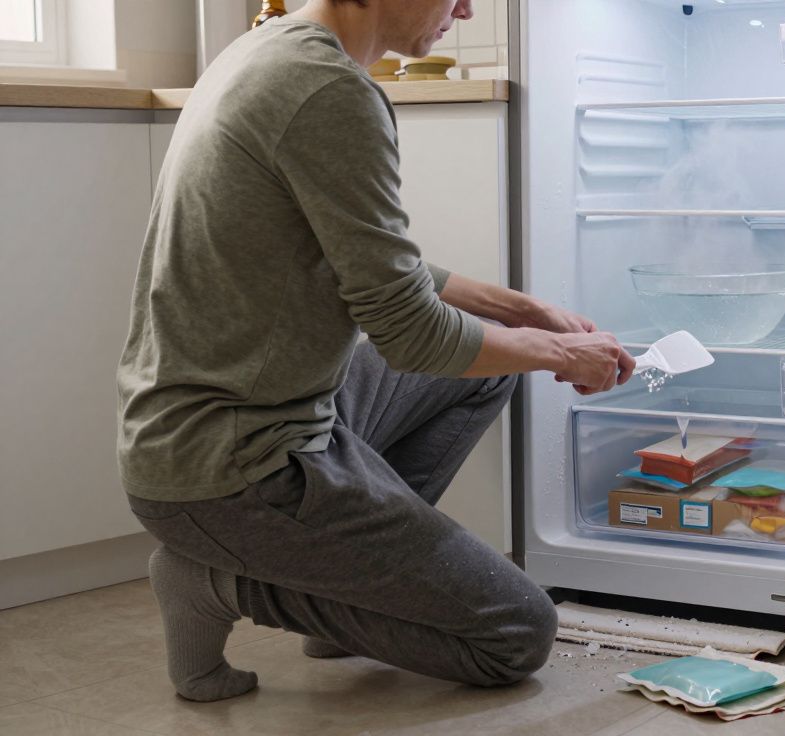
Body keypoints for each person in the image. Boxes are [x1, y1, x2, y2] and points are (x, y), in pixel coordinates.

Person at [116, 0, 635, 702]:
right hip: (234, 466)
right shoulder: (327, 88)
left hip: (227, 421)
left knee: (481, 377)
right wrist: (558, 355)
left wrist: (526, 311)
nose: (468, 7)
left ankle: (350, 596)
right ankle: (212, 581)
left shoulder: (269, 51)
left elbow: (381, 270)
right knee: (515, 634)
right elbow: (410, 332)